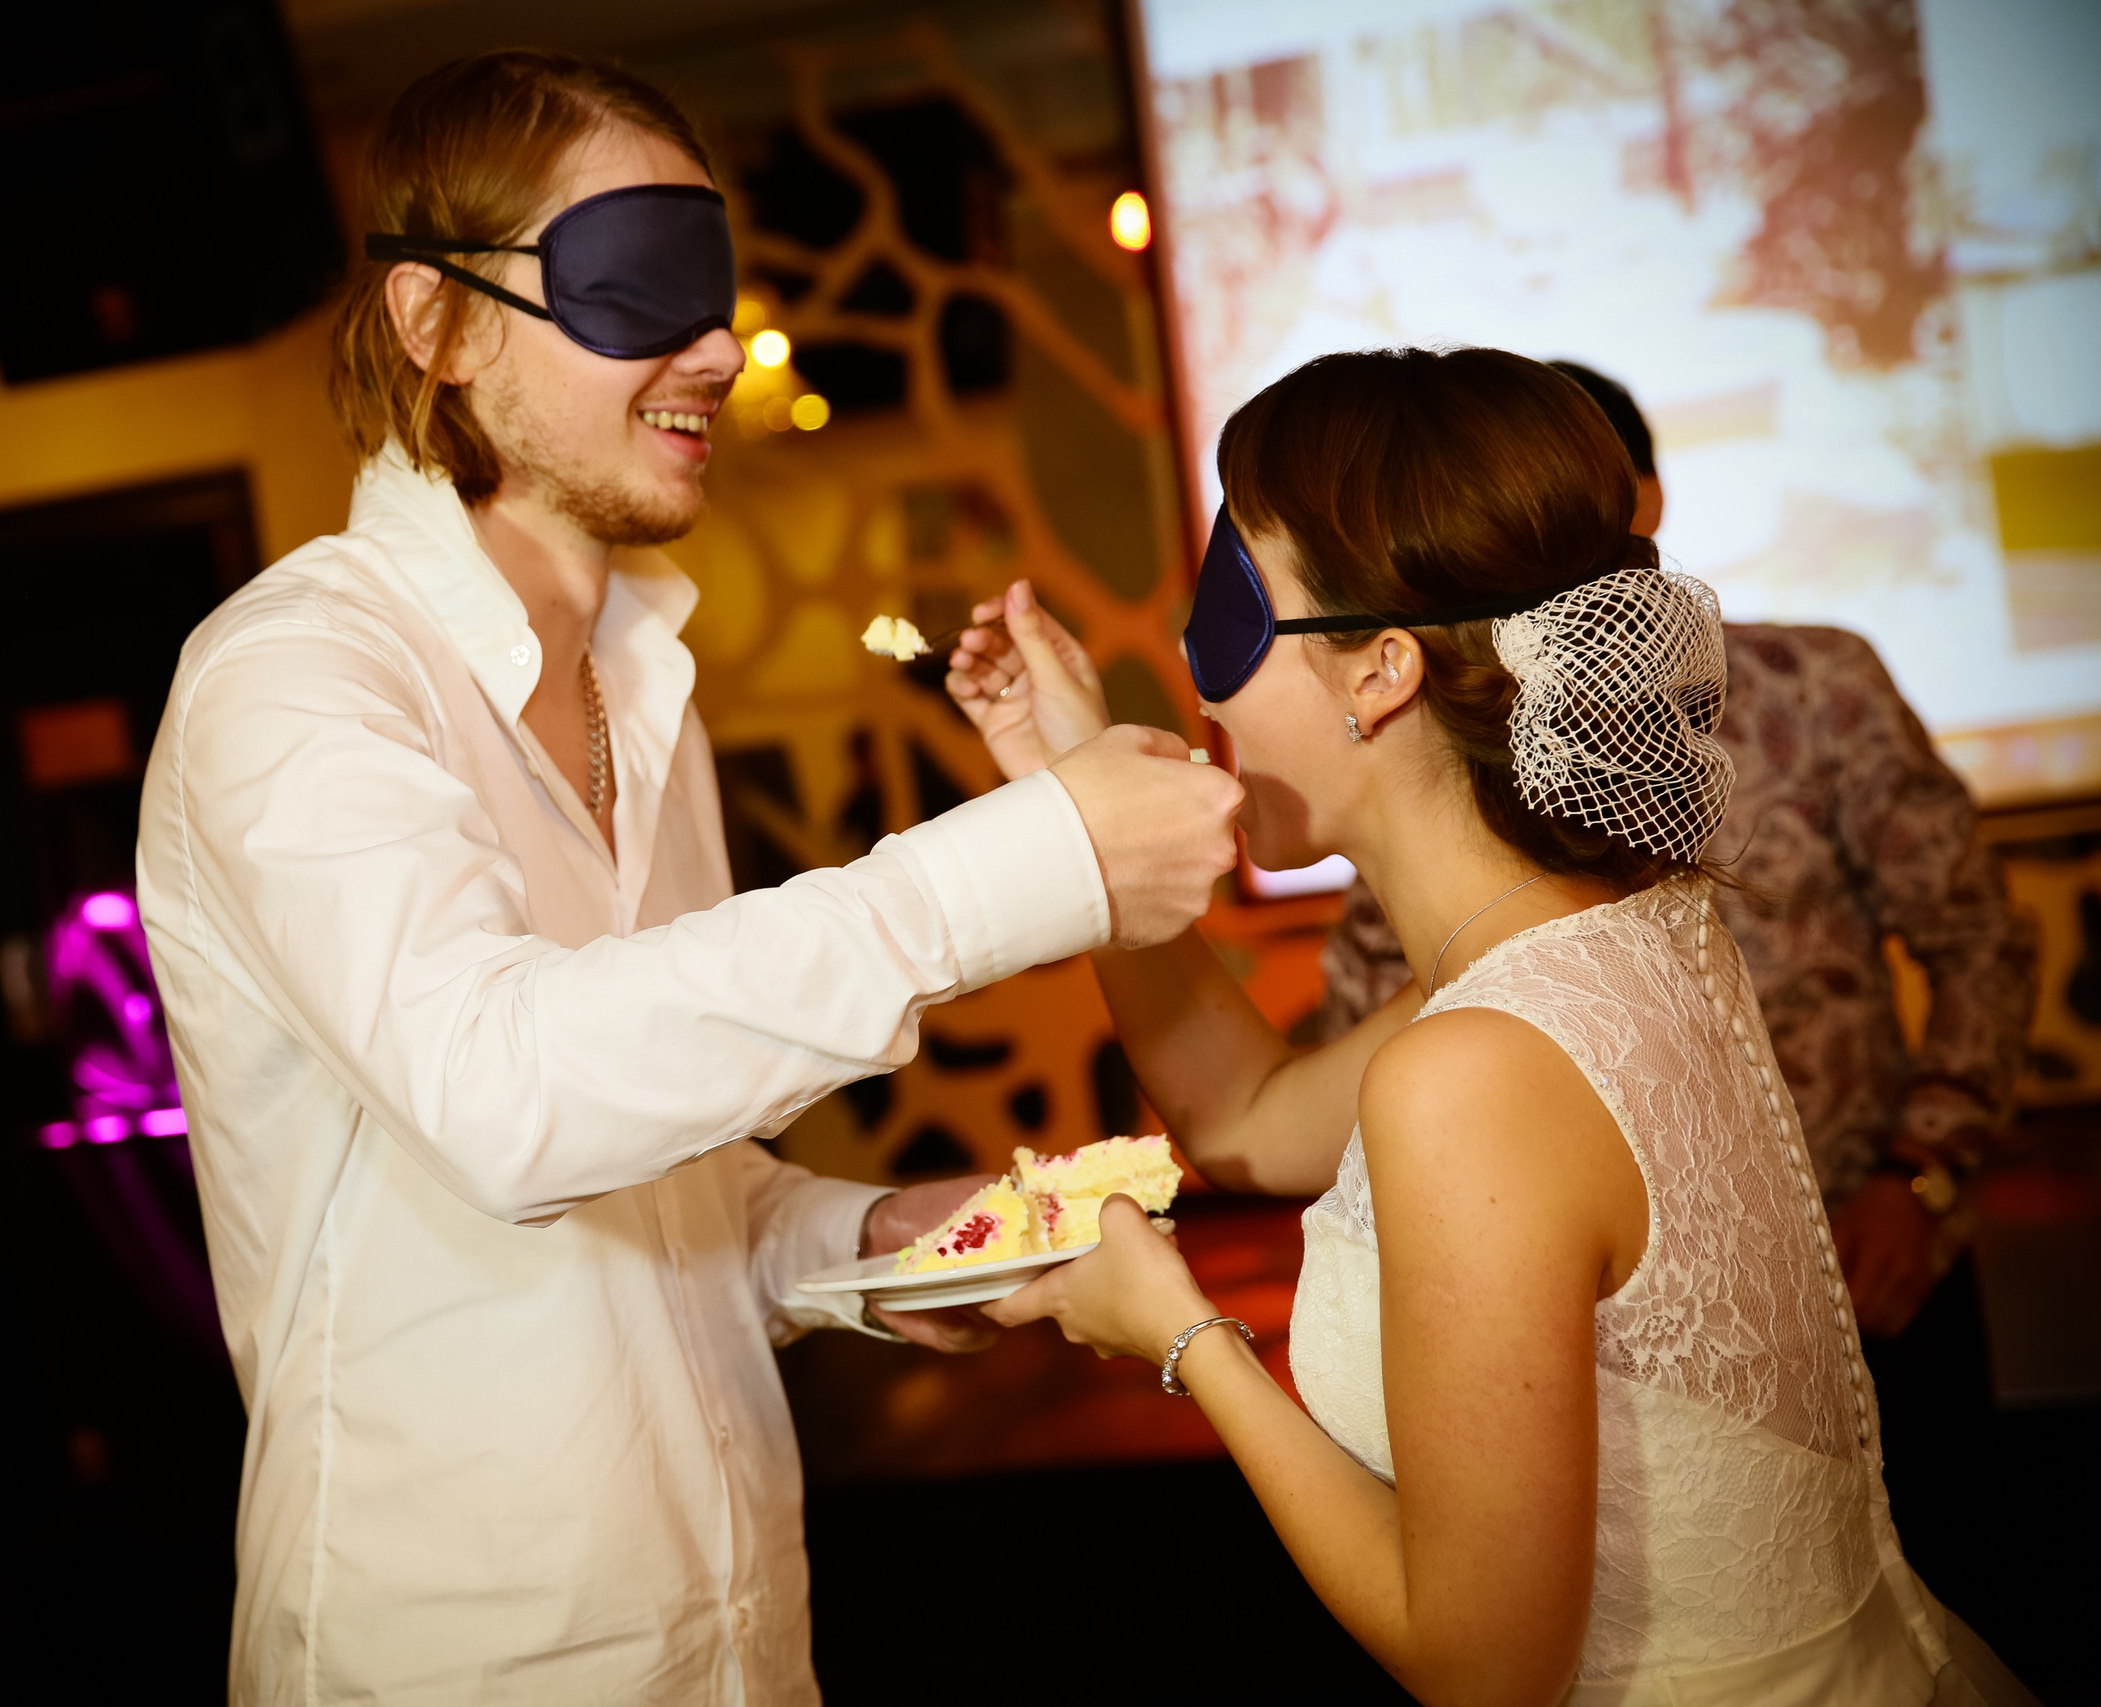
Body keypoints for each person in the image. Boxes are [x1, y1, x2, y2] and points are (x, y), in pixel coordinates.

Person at [132, 51, 1243, 1705]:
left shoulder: (646, 679)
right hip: (456, 1661)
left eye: (712, 280)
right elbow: (508, 1094)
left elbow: (671, 1173)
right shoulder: (295, 680)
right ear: (435, 324)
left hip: (731, 1632)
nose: (717, 346)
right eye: (634, 280)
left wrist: (868, 1241)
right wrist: (1040, 857)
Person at [942, 348, 2029, 1702]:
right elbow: (1237, 1115)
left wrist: (1181, 1334)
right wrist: (1067, 790)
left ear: (1380, 668)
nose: (1200, 684)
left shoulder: (1474, 1065)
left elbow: (1479, 1666)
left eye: (1228, 617)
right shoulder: (1618, 936)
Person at [1312, 361, 2038, 1607]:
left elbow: (1976, 936)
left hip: (1869, 1268)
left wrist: (1922, 1172)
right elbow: (1357, 1036)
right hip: (1603, 1338)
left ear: (1642, 506)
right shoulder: (1445, 758)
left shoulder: (1817, 686)